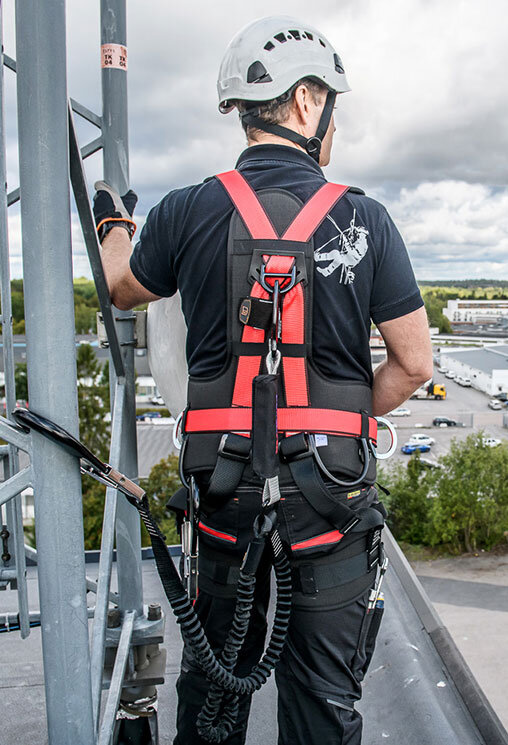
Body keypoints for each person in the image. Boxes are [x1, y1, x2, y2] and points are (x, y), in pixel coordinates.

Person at [94, 15, 433, 745]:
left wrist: (114, 223)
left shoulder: (185, 209)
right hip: (330, 517)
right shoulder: (367, 220)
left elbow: (121, 287)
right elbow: (414, 365)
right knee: (322, 711)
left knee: (215, 705)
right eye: (330, 107)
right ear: (308, 103)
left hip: (224, 508)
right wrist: (335, 420)